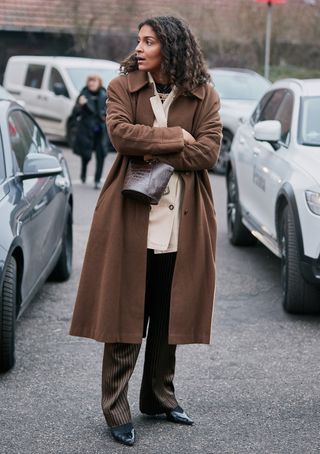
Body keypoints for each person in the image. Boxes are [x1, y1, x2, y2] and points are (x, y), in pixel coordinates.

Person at [69, 16, 222, 447]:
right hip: (130, 218)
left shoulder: (204, 94)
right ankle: (115, 408)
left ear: (170, 47)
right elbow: (120, 136)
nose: (139, 48)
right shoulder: (122, 87)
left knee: (167, 315)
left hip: (182, 222)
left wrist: (154, 142)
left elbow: (208, 152)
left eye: (149, 41)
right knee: (125, 315)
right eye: (139, 40)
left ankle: (159, 397)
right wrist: (176, 136)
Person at [72, 74, 109, 189]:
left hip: (100, 130)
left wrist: (105, 116)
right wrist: (80, 105)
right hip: (86, 129)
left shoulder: (105, 95)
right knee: (86, 155)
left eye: (94, 81)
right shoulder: (83, 95)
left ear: (99, 83)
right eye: (90, 81)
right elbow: (75, 113)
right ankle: (83, 173)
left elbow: (110, 111)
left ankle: (97, 180)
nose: (91, 84)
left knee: (101, 155)